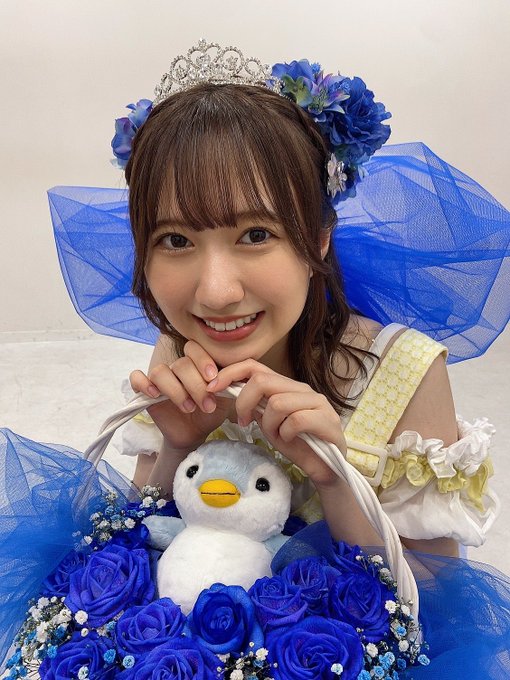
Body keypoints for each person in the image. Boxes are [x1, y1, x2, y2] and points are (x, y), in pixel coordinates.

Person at [108, 45, 498, 559]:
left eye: (255, 235)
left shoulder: (406, 374)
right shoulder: (181, 343)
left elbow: (434, 589)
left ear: (318, 239)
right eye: (176, 240)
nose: (216, 294)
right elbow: (135, 546)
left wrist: (333, 479)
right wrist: (178, 445)